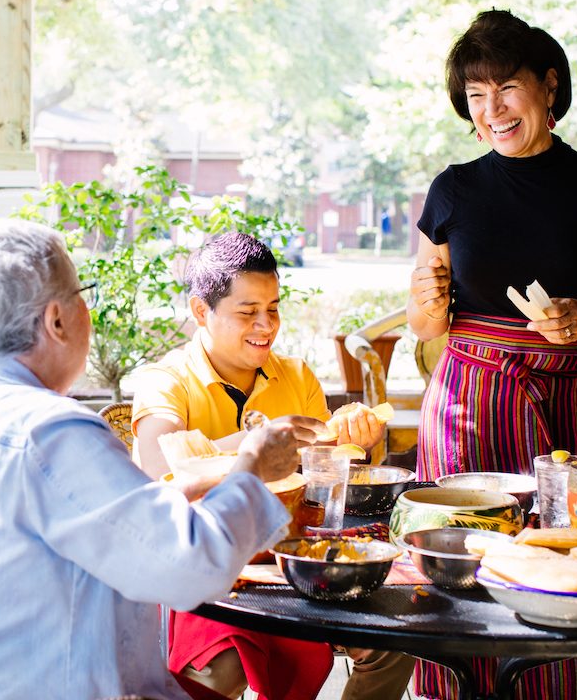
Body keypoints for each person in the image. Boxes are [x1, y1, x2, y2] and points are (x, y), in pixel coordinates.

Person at [0, 218, 324, 700]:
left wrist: (184, 488)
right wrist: (252, 464)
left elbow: (90, 515)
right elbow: (191, 567)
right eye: (85, 295)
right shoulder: (51, 431)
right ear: (57, 320)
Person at [408, 9, 577, 699]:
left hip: (568, 401)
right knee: (473, 578)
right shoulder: (454, 188)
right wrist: (427, 301)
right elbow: (424, 326)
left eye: (506, 89)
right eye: (476, 98)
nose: (492, 111)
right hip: (468, 408)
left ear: (548, 85)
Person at [133, 232, 416, 700]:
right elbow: (154, 479)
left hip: (297, 562)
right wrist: (256, 448)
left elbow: (324, 482)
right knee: (215, 677)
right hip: (212, 572)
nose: (266, 325)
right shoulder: (166, 383)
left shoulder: (298, 376)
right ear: (202, 311)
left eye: (274, 308)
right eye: (248, 311)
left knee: (394, 643)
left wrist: (357, 446)